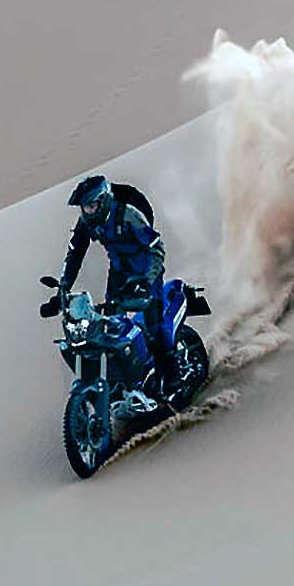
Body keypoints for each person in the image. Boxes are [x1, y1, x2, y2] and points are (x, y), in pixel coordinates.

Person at [55, 174, 175, 410]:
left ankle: (172, 377)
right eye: (84, 207)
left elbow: (156, 248)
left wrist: (147, 280)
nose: (87, 211)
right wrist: (63, 287)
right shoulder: (87, 222)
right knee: (111, 326)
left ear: (103, 201)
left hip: (145, 270)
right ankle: (125, 382)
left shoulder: (128, 215)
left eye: (91, 206)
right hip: (119, 271)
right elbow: (75, 254)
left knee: (155, 326)